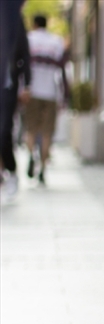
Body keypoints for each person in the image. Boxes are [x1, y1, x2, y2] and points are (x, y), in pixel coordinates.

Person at [23, 14, 67, 186]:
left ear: (34, 24)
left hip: (32, 91)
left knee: (31, 130)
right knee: (47, 132)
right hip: (51, 92)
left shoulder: (29, 39)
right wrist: (65, 95)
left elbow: (21, 64)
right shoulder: (56, 42)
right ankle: (42, 168)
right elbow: (62, 71)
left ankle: (31, 155)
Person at [0, 3, 29, 202]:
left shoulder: (13, 18)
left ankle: (10, 170)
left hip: (7, 86)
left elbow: (24, 53)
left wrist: (27, 83)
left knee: (3, 131)